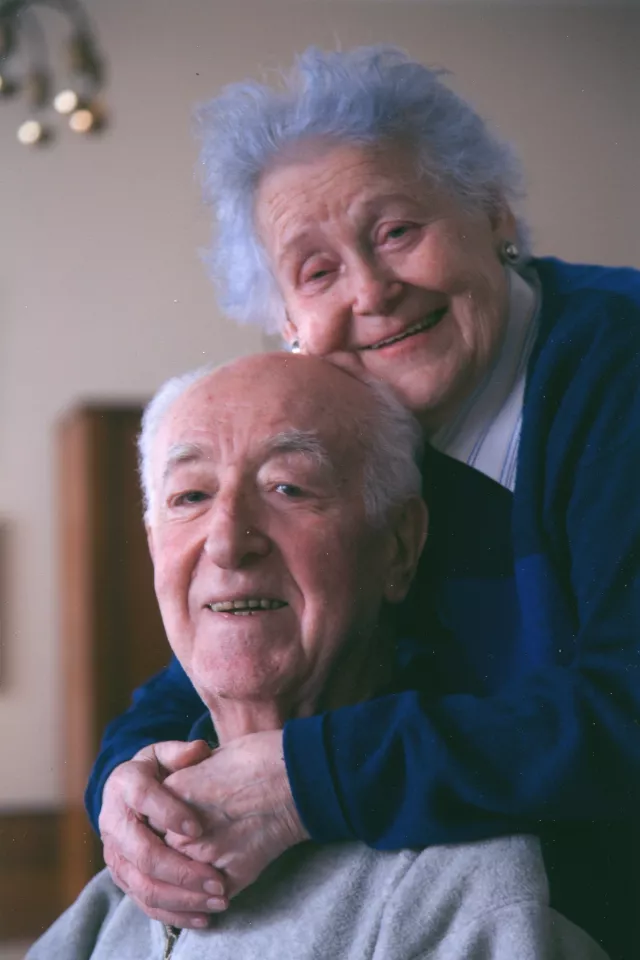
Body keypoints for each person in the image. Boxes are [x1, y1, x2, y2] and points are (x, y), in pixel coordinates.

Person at [87, 47, 640, 958]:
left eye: (396, 231)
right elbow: (243, 641)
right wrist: (124, 780)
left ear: (496, 215)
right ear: (289, 328)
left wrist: (308, 779)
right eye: (316, 271)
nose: (372, 292)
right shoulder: (366, 434)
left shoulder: (616, 370)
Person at [30, 353, 609, 959]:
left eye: (288, 486)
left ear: (399, 547)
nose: (227, 542)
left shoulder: (464, 896)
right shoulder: (125, 881)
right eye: (191, 495)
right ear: (155, 551)